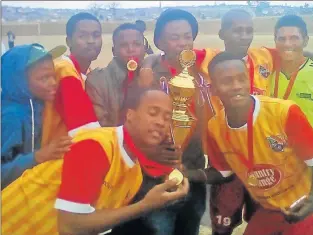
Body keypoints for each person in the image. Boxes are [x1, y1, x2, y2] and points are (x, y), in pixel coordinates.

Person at [1, 89, 190, 235]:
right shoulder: (96, 146)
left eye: (167, 118)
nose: (160, 122)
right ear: (130, 115)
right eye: (153, 112)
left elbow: (94, 223)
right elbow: (70, 225)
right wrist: (145, 206)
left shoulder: (134, 175)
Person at [197, 51, 313, 235]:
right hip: (269, 210)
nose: (237, 86)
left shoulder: (284, 112)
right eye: (227, 81)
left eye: (241, 79)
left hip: (305, 205)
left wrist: (311, 201)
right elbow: (223, 172)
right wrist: (183, 174)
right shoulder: (215, 127)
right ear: (214, 90)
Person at [117, 9, 207, 235]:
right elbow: (132, 123)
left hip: (193, 170)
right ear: (159, 41)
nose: (183, 43)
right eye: (174, 38)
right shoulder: (147, 73)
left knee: (190, 227)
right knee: (159, 228)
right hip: (154, 176)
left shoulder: (203, 67)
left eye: (188, 36)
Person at [1, 43, 71, 189]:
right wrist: (38, 156)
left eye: (53, 75)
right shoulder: (11, 117)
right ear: (20, 81)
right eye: (43, 78)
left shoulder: (38, 104)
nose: (53, 83)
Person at [41, 12, 102, 146]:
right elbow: (85, 128)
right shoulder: (64, 69)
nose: (91, 41)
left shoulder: (86, 72)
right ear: (69, 41)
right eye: (82, 36)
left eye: (96, 35)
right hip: (56, 154)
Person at [86, 23, 146, 127]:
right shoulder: (97, 81)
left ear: (144, 49)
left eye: (136, 44)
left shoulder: (154, 75)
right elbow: (99, 125)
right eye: (123, 45)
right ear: (114, 51)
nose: (131, 49)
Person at [269, 15, 313, 126]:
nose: (287, 44)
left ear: (305, 41)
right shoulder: (265, 72)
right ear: (275, 40)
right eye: (282, 39)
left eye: (294, 38)